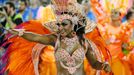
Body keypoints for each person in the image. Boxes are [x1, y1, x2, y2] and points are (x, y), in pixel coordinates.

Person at [91, 0, 133, 75]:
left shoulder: (124, 28)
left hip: (118, 60)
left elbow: (128, 45)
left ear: (120, 15)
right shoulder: (105, 28)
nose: (113, 14)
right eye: (112, 13)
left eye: (115, 13)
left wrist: (127, 46)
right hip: (106, 61)